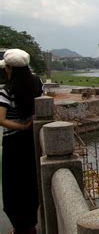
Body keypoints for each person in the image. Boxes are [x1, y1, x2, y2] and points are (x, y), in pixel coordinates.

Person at [0, 49, 43, 234]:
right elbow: (42, 107)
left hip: (14, 143)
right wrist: (30, 124)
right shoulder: (37, 83)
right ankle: (31, 223)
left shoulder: (6, 90)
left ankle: (21, 227)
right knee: (31, 182)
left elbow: (1, 119)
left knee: (13, 186)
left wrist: (21, 127)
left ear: (10, 68)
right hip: (34, 139)